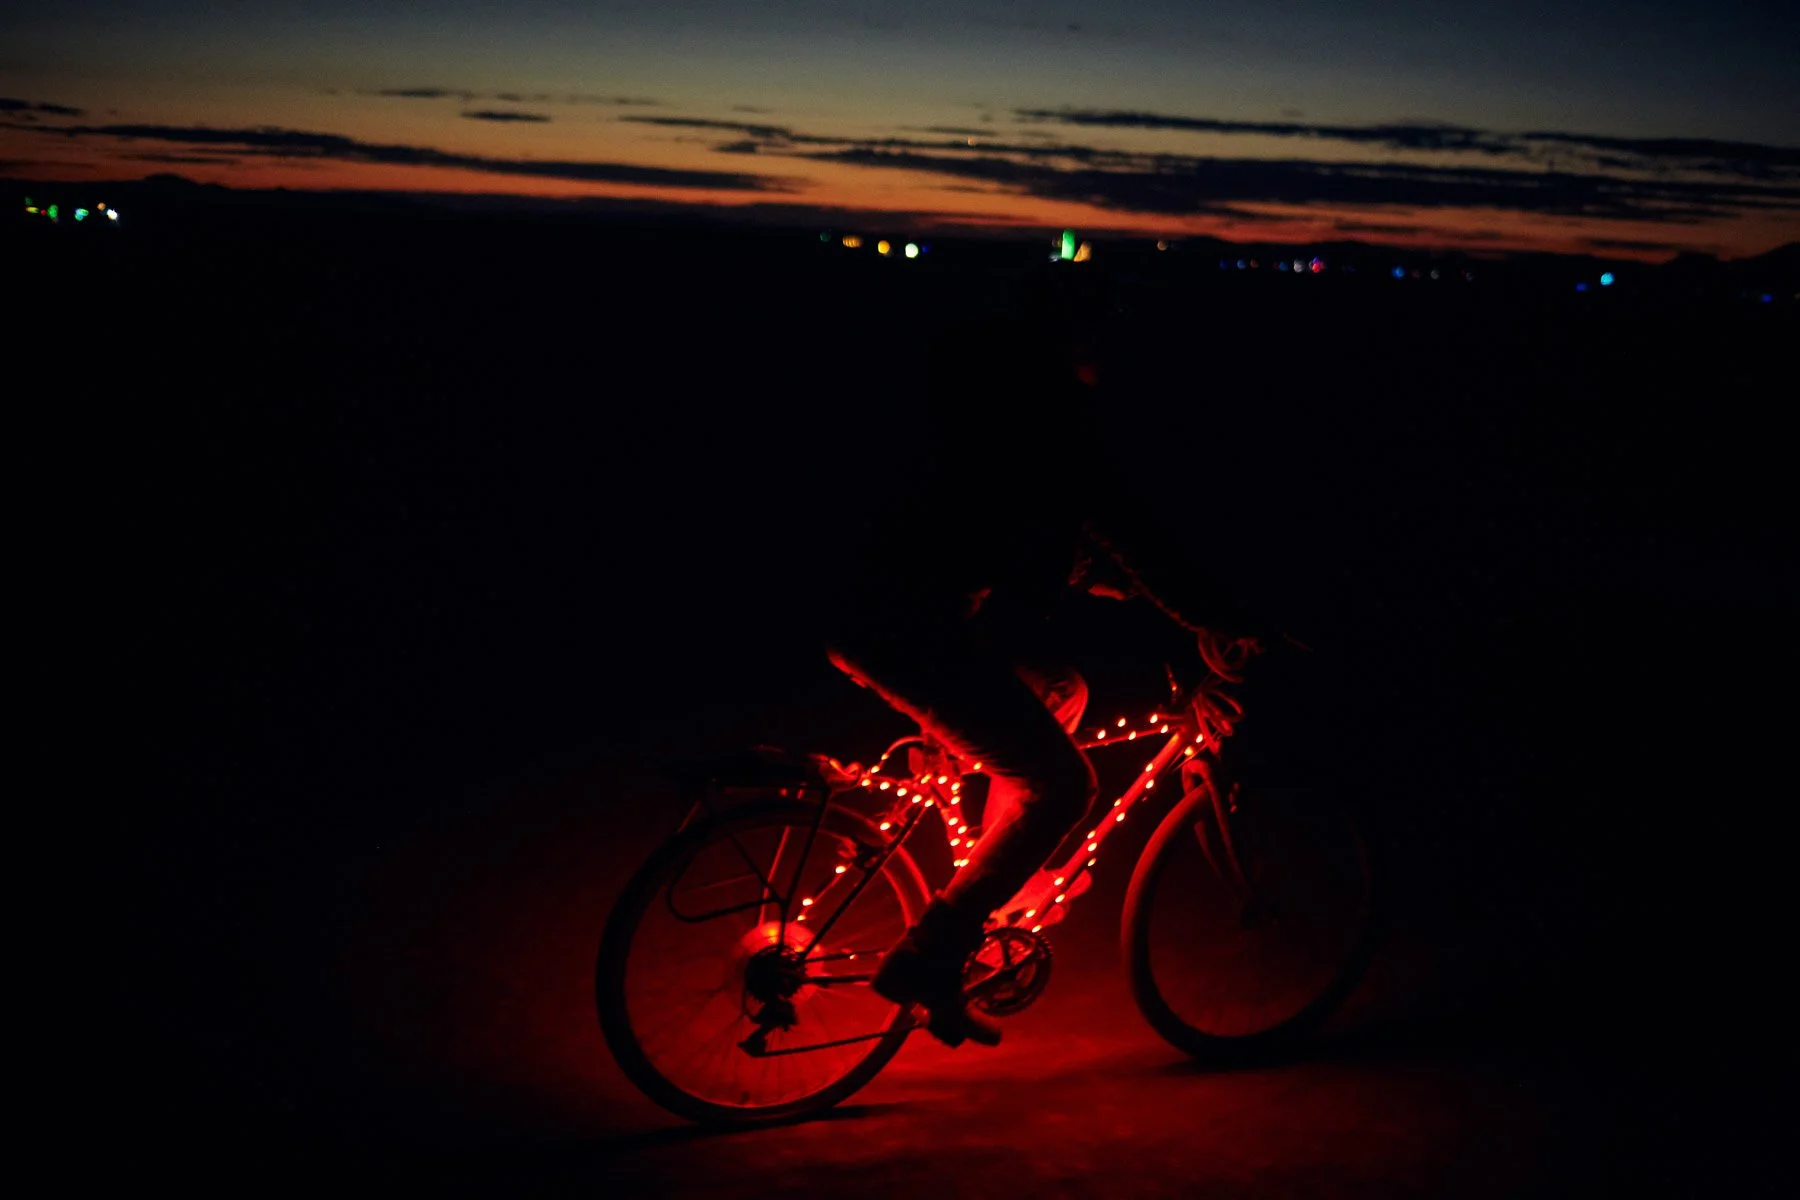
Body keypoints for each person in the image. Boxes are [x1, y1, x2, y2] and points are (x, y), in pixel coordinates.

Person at [824, 287, 1267, 1047]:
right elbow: (1133, 542)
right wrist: (1221, 622)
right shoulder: (1055, 425)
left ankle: (999, 885)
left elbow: (1061, 553)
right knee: (1063, 784)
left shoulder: (994, 406)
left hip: (887, 616)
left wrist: (1141, 593)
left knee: (1062, 690)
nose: (1117, 359)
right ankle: (930, 954)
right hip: (898, 630)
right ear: (1076, 344)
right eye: (1106, 337)